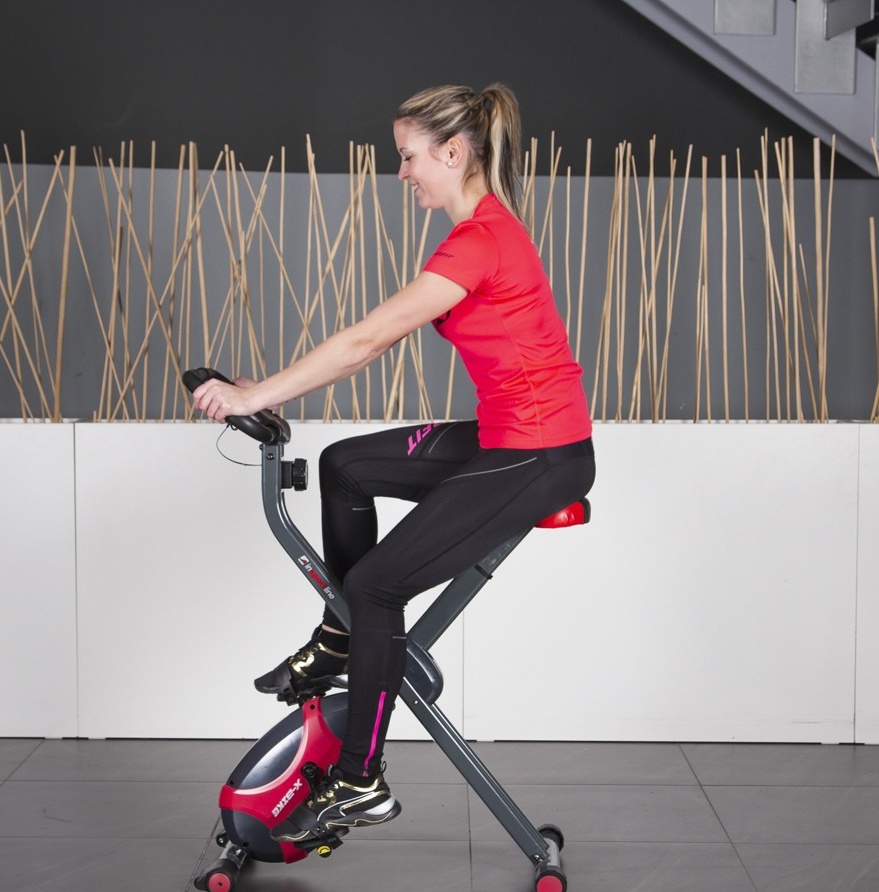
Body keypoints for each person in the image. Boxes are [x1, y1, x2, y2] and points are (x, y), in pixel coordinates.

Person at [192, 83, 595, 843]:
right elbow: (366, 341)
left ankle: (361, 779)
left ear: (453, 152)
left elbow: (366, 341)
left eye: (409, 157)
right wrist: (261, 390)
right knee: (345, 465)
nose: (402, 172)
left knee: (377, 585)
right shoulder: (480, 232)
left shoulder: (479, 240)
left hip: (541, 453)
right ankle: (344, 636)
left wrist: (253, 397)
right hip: (509, 437)